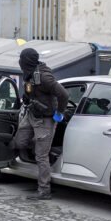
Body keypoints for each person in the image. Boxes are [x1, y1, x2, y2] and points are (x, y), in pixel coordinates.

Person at [15, 48, 68, 200]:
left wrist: (60, 112)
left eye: (22, 59)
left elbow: (63, 94)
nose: (20, 63)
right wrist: (26, 98)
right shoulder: (29, 73)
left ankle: (44, 190)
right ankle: (41, 147)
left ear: (27, 61)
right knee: (20, 142)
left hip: (45, 119)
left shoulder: (44, 77)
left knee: (41, 156)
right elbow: (30, 90)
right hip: (31, 114)